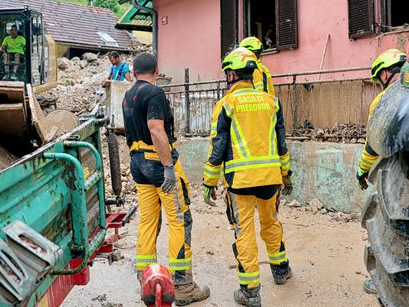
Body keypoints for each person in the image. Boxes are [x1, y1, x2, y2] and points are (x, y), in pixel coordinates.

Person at [202, 47, 292, 307]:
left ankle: (250, 292)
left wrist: (209, 182)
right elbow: (282, 144)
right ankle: (281, 270)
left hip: (240, 181)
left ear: (231, 74)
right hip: (270, 178)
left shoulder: (226, 105)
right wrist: (286, 174)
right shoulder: (271, 102)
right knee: (271, 223)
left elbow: (217, 146)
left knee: (244, 233)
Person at [122, 52, 210, 306]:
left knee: (148, 220)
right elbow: (156, 129)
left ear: (135, 71)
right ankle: (182, 287)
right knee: (180, 220)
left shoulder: (129, 95)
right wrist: (168, 166)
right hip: (158, 163)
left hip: (138, 163)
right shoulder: (156, 94)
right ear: (157, 71)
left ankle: (147, 279)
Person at [356, 48, 407, 295]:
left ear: (385, 73)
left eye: (379, 79)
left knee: (390, 231)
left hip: (398, 174)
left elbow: (372, 145)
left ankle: (386, 283)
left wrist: (362, 170)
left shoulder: (385, 100)